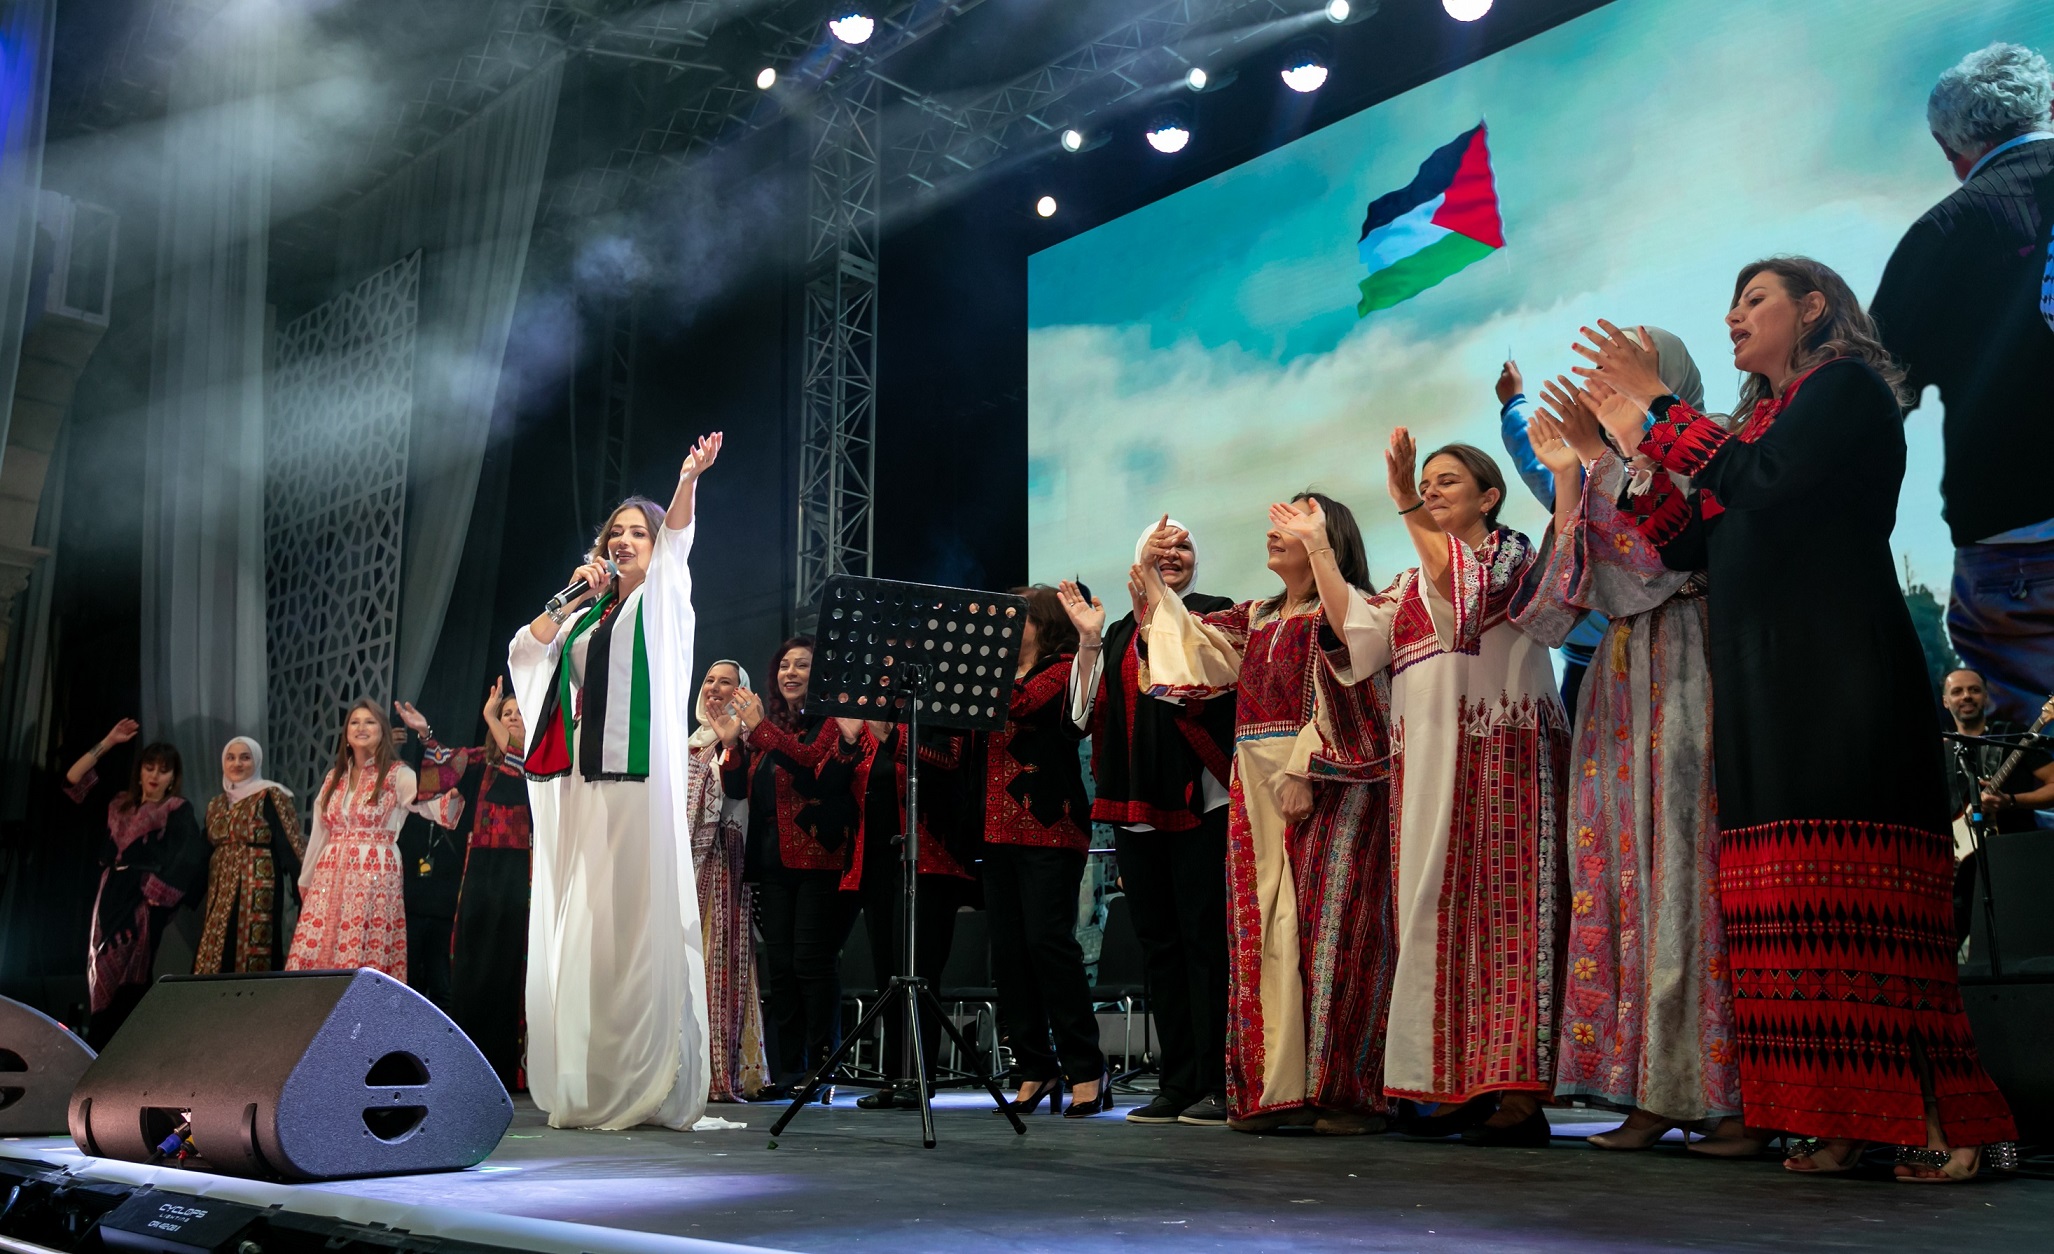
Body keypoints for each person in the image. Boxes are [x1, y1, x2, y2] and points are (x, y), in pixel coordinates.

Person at [1575, 257, 2018, 1181]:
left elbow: (1766, 481)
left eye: (1755, 300)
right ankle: (1841, 1118)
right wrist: (1621, 452)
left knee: (1864, 905)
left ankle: (1948, 1120)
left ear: (1812, 308)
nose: (1733, 316)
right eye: (1732, 301)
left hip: (1840, 674)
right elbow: (1689, 545)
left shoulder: (1846, 388)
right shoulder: (1754, 423)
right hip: (1760, 682)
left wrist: (1659, 408)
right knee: (1784, 905)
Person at [1509, 334, 1746, 1153]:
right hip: (1618, 676)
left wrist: (1603, 461)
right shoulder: (1607, 467)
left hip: (1687, 657)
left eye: (1624, 374)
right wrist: (1571, 475)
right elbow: (1550, 610)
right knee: (1626, 874)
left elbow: (1663, 564)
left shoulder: (1702, 446)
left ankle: (1721, 1096)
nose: (1606, 388)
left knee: (1685, 869)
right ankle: (1652, 1084)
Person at [1320, 439, 1568, 1148]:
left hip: (1502, 753)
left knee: (1507, 916)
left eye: (1446, 482)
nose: (1430, 491)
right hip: (1429, 766)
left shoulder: (1509, 554)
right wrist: (1320, 552)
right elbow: (1360, 639)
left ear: (1489, 497)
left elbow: (1464, 604)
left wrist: (1402, 499)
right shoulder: (1408, 579)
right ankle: (1461, 1082)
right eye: (1424, 483)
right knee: (1436, 915)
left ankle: (1518, 1094)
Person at [1135, 498, 1396, 1137]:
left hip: (1329, 778)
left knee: (1330, 932)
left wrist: (1307, 768)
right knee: (1266, 935)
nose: (1273, 535)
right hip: (1255, 784)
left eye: (1292, 527)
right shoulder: (1259, 616)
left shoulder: (1354, 607)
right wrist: (1149, 578)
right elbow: (1188, 648)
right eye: (1274, 528)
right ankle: (1277, 1089)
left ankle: (1344, 1093)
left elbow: (1359, 686)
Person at [510, 432, 721, 1131]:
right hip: (585, 787)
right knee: (589, 928)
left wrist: (687, 480)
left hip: (636, 784)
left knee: (631, 922)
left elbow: (680, 541)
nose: (625, 541)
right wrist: (572, 597)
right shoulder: (590, 613)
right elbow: (526, 649)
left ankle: (643, 1076)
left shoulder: (661, 600)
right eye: (616, 533)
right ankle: (594, 1074)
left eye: (637, 532)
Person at [1870, 43, 2054, 726]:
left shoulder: (1941, 233)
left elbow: (1875, 395)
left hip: (2018, 542)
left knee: (2028, 759)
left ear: (1950, 149)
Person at [1063, 520, 1237, 1128]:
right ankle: (1177, 1082)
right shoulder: (1116, 632)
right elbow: (1081, 717)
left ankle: (1216, 1081)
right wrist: (1089, 642)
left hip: (1200, 804)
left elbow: (1192, 676)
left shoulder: (1214, 612)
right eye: (1160, 548)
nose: (1173, 554)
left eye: (1184, 546)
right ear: (1138, 562)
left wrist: (1158, 607)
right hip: (1133, 812)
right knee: (1160, 948)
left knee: (1204, 945)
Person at [975, 585, 1107, 1119]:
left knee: (1049, 944)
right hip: (995, 831)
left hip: (1050, 826)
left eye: (1016, 617)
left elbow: (1032, 707)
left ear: (1042, 623)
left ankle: (1086, 1068)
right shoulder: (994, 678)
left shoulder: (1061, 669)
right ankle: (1035, 1065)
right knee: (1009, 952)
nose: (1004, 626)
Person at [732, 637, 860, 1100]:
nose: (790, 673)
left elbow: (812, 768)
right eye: (784, 665)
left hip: (818, 857)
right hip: (771, 860)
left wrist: (760, 730)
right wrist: (734, 745)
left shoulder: (829, 721)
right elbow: (744, 789)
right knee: (782, 968)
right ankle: (788, 1070)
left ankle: (823, 1067)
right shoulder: (771, 728)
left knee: (811, 963)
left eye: (802, 665)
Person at [395, 681, 536, 1092]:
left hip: (519, 870)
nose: (512, 718)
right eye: (506, 712)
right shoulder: (479, 761)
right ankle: (469, 1062)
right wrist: (425, 733)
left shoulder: (537, 761)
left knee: (510, 962)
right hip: (479, 870)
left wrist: (490, 715)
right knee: (472, 962)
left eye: (519, 713)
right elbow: (443, 763)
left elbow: (516, 761)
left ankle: (510, 1067)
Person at [836, 715, 976, 1110]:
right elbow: (834, 783)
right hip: (875, 862)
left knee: (918, 969)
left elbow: (949, 764)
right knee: (888, 976)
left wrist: (893, 736)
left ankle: (919, 1077)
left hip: (927, 860)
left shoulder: (936, 713)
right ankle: (896, 1077)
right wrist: (847, 745)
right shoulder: (868, 720)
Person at [288, 700, 458, 981]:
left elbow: (429, 800)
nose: (361, 727)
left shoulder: (396, 774)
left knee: (362, 951)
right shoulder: (334, 778)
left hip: (373, 878)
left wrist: (425, 734)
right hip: (328, 880)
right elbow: (320, 833)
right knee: (316, 950)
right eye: (355, 722)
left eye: (370, 722)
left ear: (383, 732)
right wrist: (307, 881)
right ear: (346, 734)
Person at [62, 722, 205, 1048]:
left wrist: (156, 893)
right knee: (99, 975)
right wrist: (109, 741)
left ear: (173, 777)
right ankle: (99, 1051)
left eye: (164, 770)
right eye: (149, 767)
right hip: (108, 895)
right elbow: (73, 780)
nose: (155, 775)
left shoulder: (175, 809)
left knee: (130, 982)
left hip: (141, 902)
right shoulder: (118, 804)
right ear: (139, 771)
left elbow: (189, 855)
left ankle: (118, 1053)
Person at [1497, 360, 1608, 712]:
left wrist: (1514, 403)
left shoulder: (1674, 463)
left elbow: (1534, 457)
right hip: (1585, 661)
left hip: (1637, 656)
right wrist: (1514, 403)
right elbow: (1539, 455)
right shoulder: (1576, 482)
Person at [686, 659, 769, 1103]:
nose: (714, 688)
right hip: (684, 865)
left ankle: (718, 1070)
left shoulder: (748, 738)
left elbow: (737, 789)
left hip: (722, 863)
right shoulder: (689, 742)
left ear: (742, 692)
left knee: (715, 961)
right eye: (709, 680)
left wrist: (732, 742)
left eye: (726, 682)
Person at [1940, 668, 2054, 948]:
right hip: (1958, 869)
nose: (1966, 696)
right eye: (1957, 691)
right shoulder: (1940, 750)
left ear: (1985, 696)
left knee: (2021, 946)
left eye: (1974, 690)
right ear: (1945, 701)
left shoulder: (2012, 737)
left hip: (2014, 861)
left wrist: (2011, 801)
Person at [193, 737, 303, 975]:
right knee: (217, 950)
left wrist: (304, 890)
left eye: (245, 758)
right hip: (220, 890)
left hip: (257, 887)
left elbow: (291, 843)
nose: (237, 764)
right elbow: (203, 851)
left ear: (257, 761)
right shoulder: (216, 804)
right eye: (231, 758)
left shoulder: (270, 795)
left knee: (253, 950)